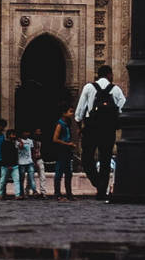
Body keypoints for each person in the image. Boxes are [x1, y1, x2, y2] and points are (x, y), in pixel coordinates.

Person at [75, 65, 125, 197]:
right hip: (108, 129)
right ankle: (102, 189)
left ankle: (97, 182)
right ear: (109, 75)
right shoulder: (116, 90)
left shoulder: (88, 87)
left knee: (87, 158)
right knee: (105, 159)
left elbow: (79, 111)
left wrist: (79, 126)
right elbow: (123, 108)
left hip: (91, 127)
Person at [51, 108, 76, 198]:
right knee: (59, 172)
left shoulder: (67, 124)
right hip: (61, 150)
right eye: (70, 112)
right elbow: (55, 139)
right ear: (64, 113)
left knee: (68, 173)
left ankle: (69, 194)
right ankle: (57, 194)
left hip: (67, 151)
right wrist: (67, 143)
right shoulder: (60, 124)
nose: (71, 114)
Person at [16, 132, 37, 197]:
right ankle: (21, 192)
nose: (26, 134)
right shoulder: (17, 141)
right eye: (25, 132)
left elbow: (32, 150)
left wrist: (34, 161)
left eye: (27, 132)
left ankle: (34, 191)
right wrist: (21, 142)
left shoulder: (30, 141)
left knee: (32, 177)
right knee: (21, 178)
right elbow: (20, 147)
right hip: (21, 162)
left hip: (29, 161)